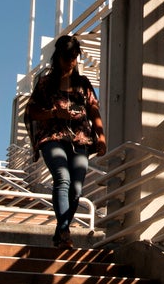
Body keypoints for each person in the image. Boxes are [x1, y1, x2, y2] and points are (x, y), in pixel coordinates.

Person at [25, 34, 105, 249]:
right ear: (58, 57)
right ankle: (64, 231)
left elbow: (93, 109)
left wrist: (101, 136)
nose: (71, 62)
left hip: (80, 139)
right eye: (67, 57)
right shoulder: (45, 83)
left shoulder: (83, 83)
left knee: (77, 188)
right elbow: (31, 110)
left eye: (74, 57)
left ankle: (61, 231)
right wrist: (52, 113)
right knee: (62, 178)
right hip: (53, 136)